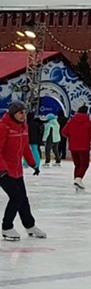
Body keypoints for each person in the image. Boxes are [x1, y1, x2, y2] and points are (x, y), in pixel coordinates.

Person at [1, 102, 45, 241]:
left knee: (23, 199)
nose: (23, 115)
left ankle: (29, 225)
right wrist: (2, 169)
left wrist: (33, 164)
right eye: (20, 112)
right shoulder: (3, 127)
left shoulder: (23, 126)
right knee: (16, 197)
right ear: (13, 113)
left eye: (25, 112)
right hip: (3, 171)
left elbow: (25, 147)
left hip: (17, 170)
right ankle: (7, 227)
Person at [63, 105, 91, 191]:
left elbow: (64, 132)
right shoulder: (89, 122)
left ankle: (76, 181)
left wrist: (71, 137)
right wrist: (86, 139)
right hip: (84, 147)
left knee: (77, 165)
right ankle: (78, 179)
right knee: (84, 164)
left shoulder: (71, 121)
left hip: (73, 146)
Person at [26, 111, 43, 176]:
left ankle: (25, 164)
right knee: (35, 151)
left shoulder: (26, 124)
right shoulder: (36, 124)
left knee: (27, 151)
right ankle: (37, 164)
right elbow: (39, 132)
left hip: (28, 139)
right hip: (35, 139)